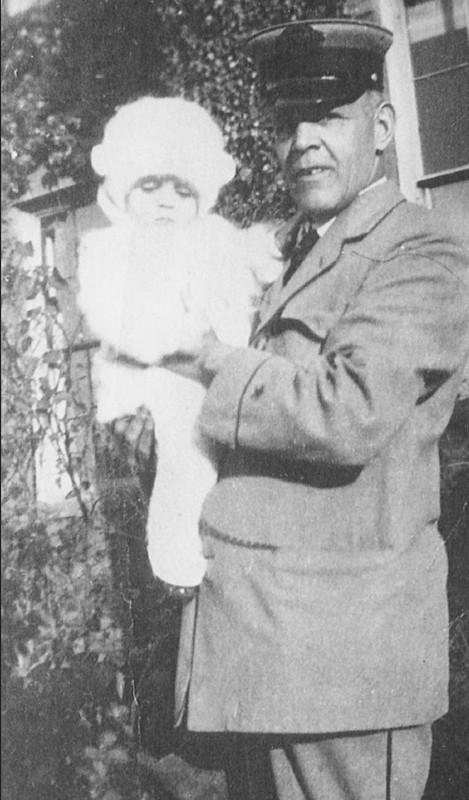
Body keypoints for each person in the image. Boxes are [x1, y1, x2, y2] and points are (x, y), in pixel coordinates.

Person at [117, 18, 469, 800]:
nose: (303, 141)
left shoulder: (421, 253)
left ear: (381, 127)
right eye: (286, 122)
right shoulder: (287, 260)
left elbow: (344, 411)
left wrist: (203, 360)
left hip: (346, 670)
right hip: (258, 654)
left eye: (328, 116)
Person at [79, 96, 282, 592]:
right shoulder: (113, 249)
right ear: (125, 191)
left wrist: (260, 254)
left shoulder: (211, 236)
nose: (166, 201)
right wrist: (185, 341)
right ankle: (175, 555)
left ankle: (211, 548)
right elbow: (119, 324)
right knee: (182, 453)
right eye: (150, 187)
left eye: (181, 190)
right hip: (144, 377)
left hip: (201, 373)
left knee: (217, 450)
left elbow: (248, 265)